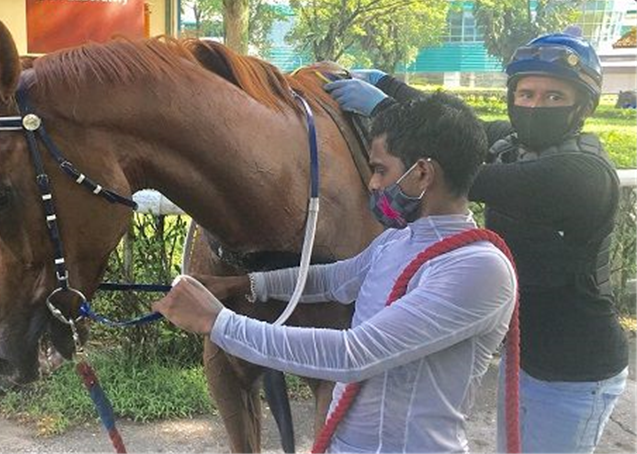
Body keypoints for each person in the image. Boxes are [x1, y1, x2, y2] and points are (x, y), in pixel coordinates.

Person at [153, 92, 517, 454]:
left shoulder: (477, 268)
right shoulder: (399, 240)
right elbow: (333, 280)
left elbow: (353, 355)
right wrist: (242, 284)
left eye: (379, 170)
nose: (373, 184)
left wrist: (217, 322)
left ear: (422, 172)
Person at [324, 31, 629, 454]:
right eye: (526, 94)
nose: (535, 106)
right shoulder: (511, 143)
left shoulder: (582, 176)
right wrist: (387, 82)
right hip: (525, 358)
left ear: (582, 106)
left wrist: (382, 109)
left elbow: (453, 161)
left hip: (573, 370)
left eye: (553, 97)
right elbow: (460, 128)